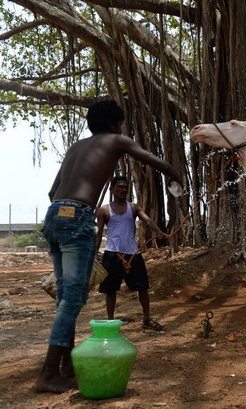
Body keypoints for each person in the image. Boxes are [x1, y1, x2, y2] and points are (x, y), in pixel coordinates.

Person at [37, 99, 182, 393]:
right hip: (78, 215)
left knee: (66, 294)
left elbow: (53, 191)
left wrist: (66, 214)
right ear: (115, 124)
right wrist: (175, 174)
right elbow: (156, 162)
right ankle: (48, 373)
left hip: (54, 216)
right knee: (74, 298)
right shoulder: (118, 139)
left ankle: (66, 367)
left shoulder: (76, 147)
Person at [96, 175, 166, 331]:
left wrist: (159, 231)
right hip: (112, 254)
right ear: (112, 189)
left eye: (126, 187)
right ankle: (110, 323)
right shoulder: (103, 210)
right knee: (110, 290)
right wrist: (94, 254)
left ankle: (147, 319)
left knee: (143, 288)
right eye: (120, 187)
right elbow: (99, 233)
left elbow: (147, 220)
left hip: (133, 254)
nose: (123, 190)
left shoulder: (134, 208)